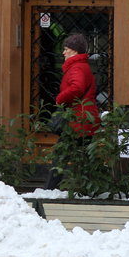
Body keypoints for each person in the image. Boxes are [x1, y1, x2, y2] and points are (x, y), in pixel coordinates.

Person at [45, 32, 101, 189]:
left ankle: (49, 190)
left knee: (60, 155)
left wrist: (60, 98)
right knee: (85, 156)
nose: (63, 52)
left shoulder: (77, 67)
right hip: (82, 119)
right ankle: (91, 188)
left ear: (75, 51)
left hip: (78, 120)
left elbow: (77, 87)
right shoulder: (80, 66)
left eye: (66, 48)